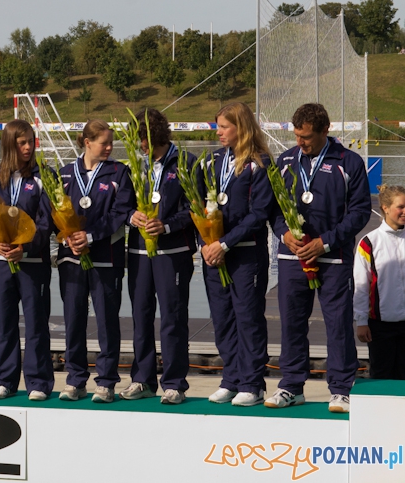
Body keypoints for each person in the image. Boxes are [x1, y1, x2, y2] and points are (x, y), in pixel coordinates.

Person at [267, 103, 371, 413]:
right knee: (292, 323)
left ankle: (341, 389)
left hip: (333, 258)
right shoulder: (286, 161)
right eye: (297, 135)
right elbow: (274, 209)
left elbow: (359, 212)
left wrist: (324, 242)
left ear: (325, 131)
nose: (300, 142)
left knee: (338, 324)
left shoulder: (349, 162)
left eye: (307, 137)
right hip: (292, 257)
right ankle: (291, 385)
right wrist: (284, 233)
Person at [200, 103, 274, 407]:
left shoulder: (260, 163)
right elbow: (198, 206)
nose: (218, 132)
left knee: (248, 318)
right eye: (217, 126)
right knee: (223, 318)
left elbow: (259, 214)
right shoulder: (212, 161)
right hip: (215, 253)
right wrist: (206, 243)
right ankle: (231, 379)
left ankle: (252, 383)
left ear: (241, 128)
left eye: (224, 127)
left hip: (245, 254)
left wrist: (224, 243)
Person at [121, 109, 196, 405]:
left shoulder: (185, 162)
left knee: (173, 318)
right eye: (137, 140)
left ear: (156, 136)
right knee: (140, 316)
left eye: (143, 140)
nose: (140, 146)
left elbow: (194, 209)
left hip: (173, 252)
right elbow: (122, 206)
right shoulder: (135, 164)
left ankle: (175, 383)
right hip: (139, 252)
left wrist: (167, 225)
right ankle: (143, 379)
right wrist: (131, 216)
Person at [56, 119, 134, 403]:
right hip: (71, 259)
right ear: (87, 142)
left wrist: (89, 237)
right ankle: (75, 380)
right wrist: (67, 237)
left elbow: (119, 214)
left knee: (106, 322)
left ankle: (106, 382)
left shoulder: (119, 172)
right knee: (73, 320)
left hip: (106, 258)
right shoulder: (65, 174)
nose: (110, 147)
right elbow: (54, 213)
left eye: (111, 142)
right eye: (104, 143)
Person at [0, 119, 54, 402]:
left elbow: (46, 221)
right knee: (5, 323)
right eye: (22, 143)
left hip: (32, 262)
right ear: (9, 144)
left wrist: (26, 247)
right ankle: (5, 380)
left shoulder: (43, 176)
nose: (28, 147)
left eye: (31, 142)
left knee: (36, 323)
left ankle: (38, 382)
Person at [353, 184, 405, 379]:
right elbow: (361, 286)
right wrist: (361, 321)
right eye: (400, 207)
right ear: (385, 208)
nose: (404, 211)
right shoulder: (369, 242)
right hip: (380, 327)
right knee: (382, 377)